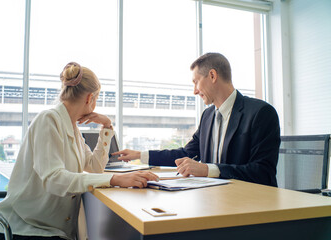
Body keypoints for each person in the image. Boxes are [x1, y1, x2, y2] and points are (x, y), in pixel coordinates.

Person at [0, 62, 158, 240]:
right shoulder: (48, 119)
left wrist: (107, 127)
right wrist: (115, 178)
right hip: (24, 229)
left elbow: (95, 167)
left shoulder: (73, 129)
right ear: (90, 98)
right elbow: (54, 179)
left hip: (52, 230)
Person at [113, 53, 280, 187]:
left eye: (196, 82)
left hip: (250, 202)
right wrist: (139, 155)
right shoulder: (208, 116)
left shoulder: (261, 113)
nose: (194, 91)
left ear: (212, 75)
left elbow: (262, 171)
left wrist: (208, 169)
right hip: (214, 199)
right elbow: (186, 154)